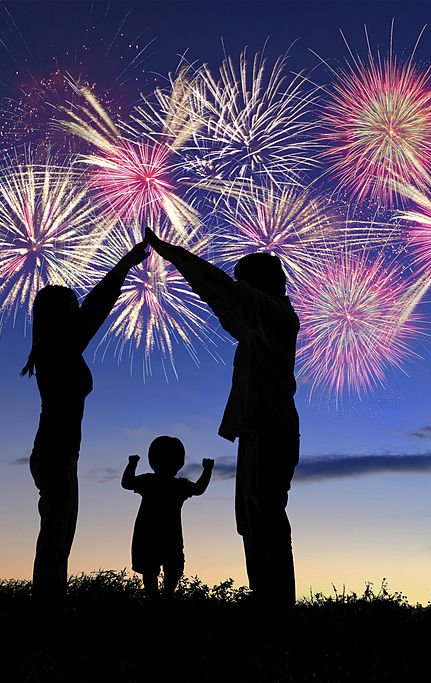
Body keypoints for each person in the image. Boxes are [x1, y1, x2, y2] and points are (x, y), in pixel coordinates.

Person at [143, 228, 300, 609]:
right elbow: (223, 296)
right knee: (253, 520)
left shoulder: (273, 313)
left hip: (268, 431)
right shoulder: (266, 321)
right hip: (260, 431)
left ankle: (276, 608)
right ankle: (269, 601)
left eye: (244, 283)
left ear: (257, 286)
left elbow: (218, 289)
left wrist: (171, 253)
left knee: (263, 520)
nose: (238, 290)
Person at [21, 240, 149, 605]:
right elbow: (97, 307)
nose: (78, 311)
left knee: (58, 537)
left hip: (58, 453)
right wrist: (125, 264)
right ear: (60, 314)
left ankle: (49, 608)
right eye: (71, 307)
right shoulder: (59, 347)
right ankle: (46, 612)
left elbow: (92, 309)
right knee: (56, 538)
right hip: (56, 454)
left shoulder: (54, 348)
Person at [122, 436, 214, 599]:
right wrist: (207, 470)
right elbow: (199, 489)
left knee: (162, 568)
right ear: (180, 463)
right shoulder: (172, 484)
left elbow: (127, 482)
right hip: (161, 535)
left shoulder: (152, 481)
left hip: (154, 534)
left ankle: (161, 598)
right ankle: (162, 598)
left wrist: (132, 464)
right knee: (161, 568)